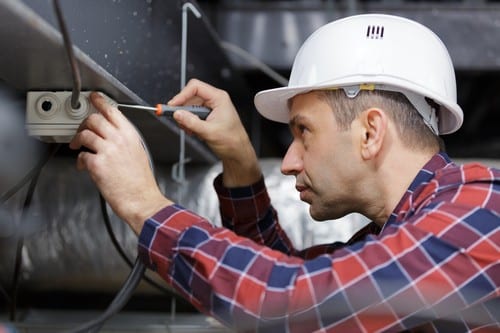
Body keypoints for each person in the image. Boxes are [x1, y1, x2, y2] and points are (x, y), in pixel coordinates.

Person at [69, 14, 500, 332]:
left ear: (370, 132)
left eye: (303, 131)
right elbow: (289, 277)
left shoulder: (479, 215)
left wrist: (145, 205)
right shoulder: (410, 232)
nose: (290, 161)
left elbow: (286, 305)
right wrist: (240, 161)